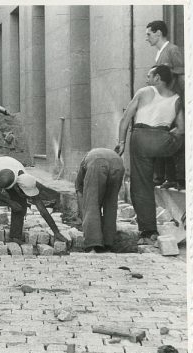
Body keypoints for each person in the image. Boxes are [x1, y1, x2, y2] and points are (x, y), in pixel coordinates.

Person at [115, 64, 184, 245]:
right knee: (177, 144)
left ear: (158, 79)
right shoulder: (177, 98)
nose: (147, 79)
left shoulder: (145, 91)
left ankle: (148, 232)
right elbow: (182, 128)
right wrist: (167, 137)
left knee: (141, 186)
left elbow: (125, 119)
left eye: (149, 75)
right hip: (163, 140)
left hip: (141, 139)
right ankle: (176, 176)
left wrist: (121, 142)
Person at [0, 156, 68, 244]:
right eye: (24, 193)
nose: (27, 196)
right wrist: (10, 202)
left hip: (8, 172)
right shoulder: (7, 179)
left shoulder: (28, 181)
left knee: (20, 204)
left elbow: (42, 210)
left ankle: (15, 237)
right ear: (17, 188)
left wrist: (56, 232)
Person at [146, 20, 185, 190]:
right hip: (164, 103)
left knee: (175, 139)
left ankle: (178, 178)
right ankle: (163, 177)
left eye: (149, 34)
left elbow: (183, 74)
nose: (147, 38)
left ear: (158, 33)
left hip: (175, 102)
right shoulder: (159, 53)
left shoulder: (172, 50)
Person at [75, 148, 125, 253]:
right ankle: (108, 242)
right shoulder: (90, 156)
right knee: (111, 203)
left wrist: (83, 215)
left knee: (91, 204)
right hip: (118, 163)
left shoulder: (81, 173)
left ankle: (93, 243)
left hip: (97, 163)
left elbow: (81, 194)